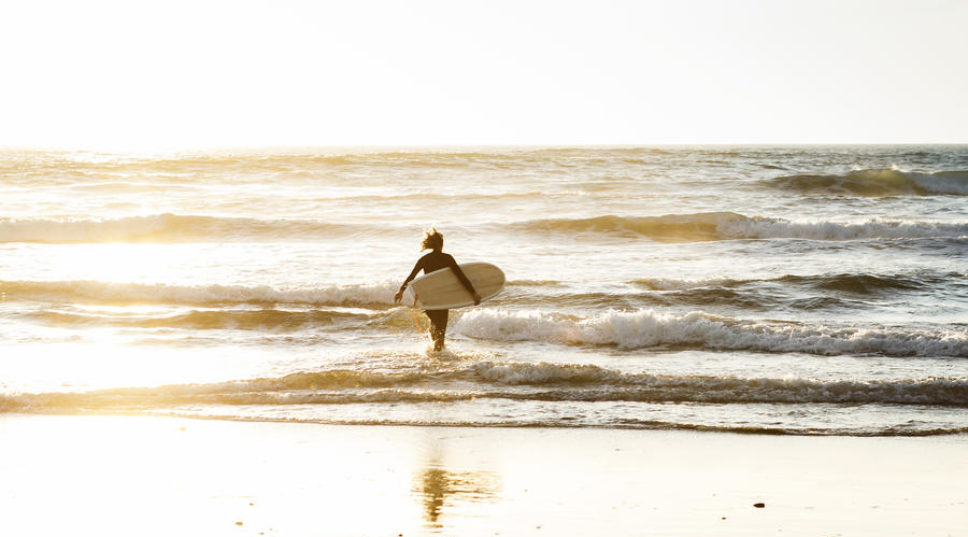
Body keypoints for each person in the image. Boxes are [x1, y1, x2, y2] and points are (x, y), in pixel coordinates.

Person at [395, 228, 480, 351]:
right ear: (441, 244)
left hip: (428, 297)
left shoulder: (424, 259)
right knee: (441, 328)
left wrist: (401, 291)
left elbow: (411, 277)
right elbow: (461, 277)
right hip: (442, 297)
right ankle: (438, 350)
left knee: (435, 323)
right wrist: (473, 293)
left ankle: (434, 350)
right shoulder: (447, 258)